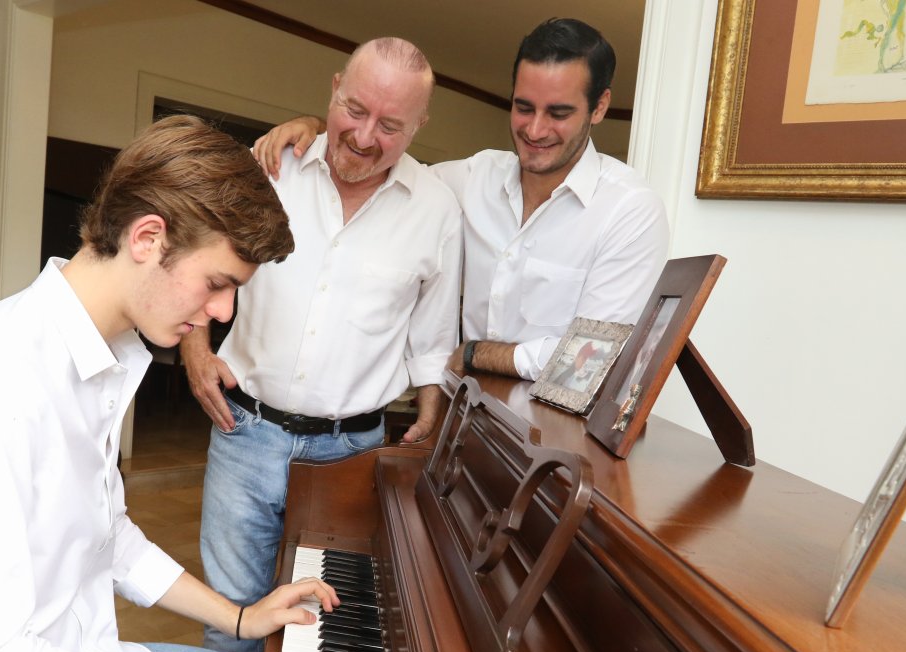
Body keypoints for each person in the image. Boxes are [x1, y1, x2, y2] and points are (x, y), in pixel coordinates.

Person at [0, 115, 338, 652]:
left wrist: (240, 618)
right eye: (218, 284)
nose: (223, 313)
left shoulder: (102, 355)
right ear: (146, 238)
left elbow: (108, 538)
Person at [179, 38, 462, 652]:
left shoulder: (438, 210)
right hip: (244, 432)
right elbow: (201, 257)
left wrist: (434, 411)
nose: (364, 136)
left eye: (391, 125)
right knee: (229, 615)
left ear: (420, 125)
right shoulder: (270, 168)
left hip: (351, 453)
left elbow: (434, 334)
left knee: (322, 623)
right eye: (354, 110)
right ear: (334, 89)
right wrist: (195, 351)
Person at [254, 18, 670, 382]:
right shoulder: (474, 179)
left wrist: (474, 354)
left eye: (558, 114)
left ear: (599, 108)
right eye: (523, 107)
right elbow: (378, 159)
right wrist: (313, 128)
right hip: (458, 434)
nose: (535, 129)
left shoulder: (629, 210)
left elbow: (591, 361)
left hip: (555, 447)